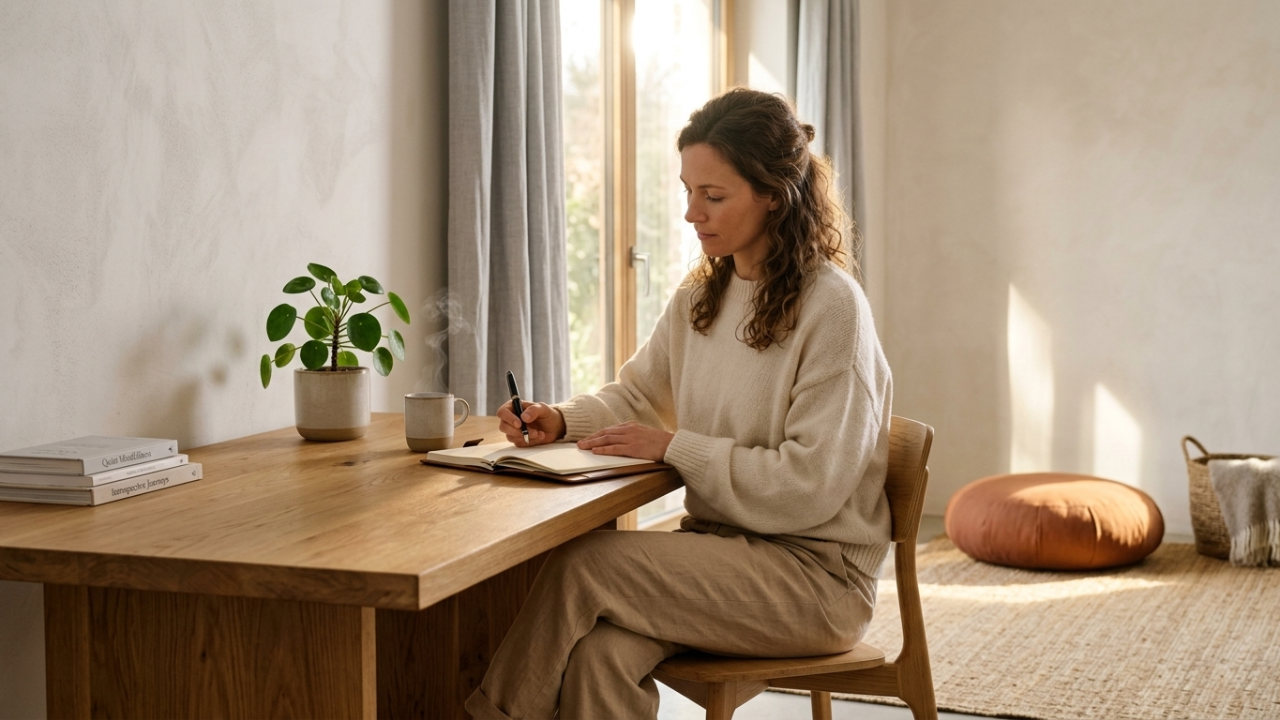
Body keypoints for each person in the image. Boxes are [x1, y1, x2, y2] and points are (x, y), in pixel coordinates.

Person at [464, 87, 893, 720]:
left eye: (713, 196)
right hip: (719, 555)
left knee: (587, 565)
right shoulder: (704, 295)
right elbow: (640, 394)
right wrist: (560, 419)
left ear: (775, 194)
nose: (692, 213)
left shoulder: (833, 309)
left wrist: (674, 448)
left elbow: (809, 486)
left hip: (815, 581)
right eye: (688, 191)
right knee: (600, 655)